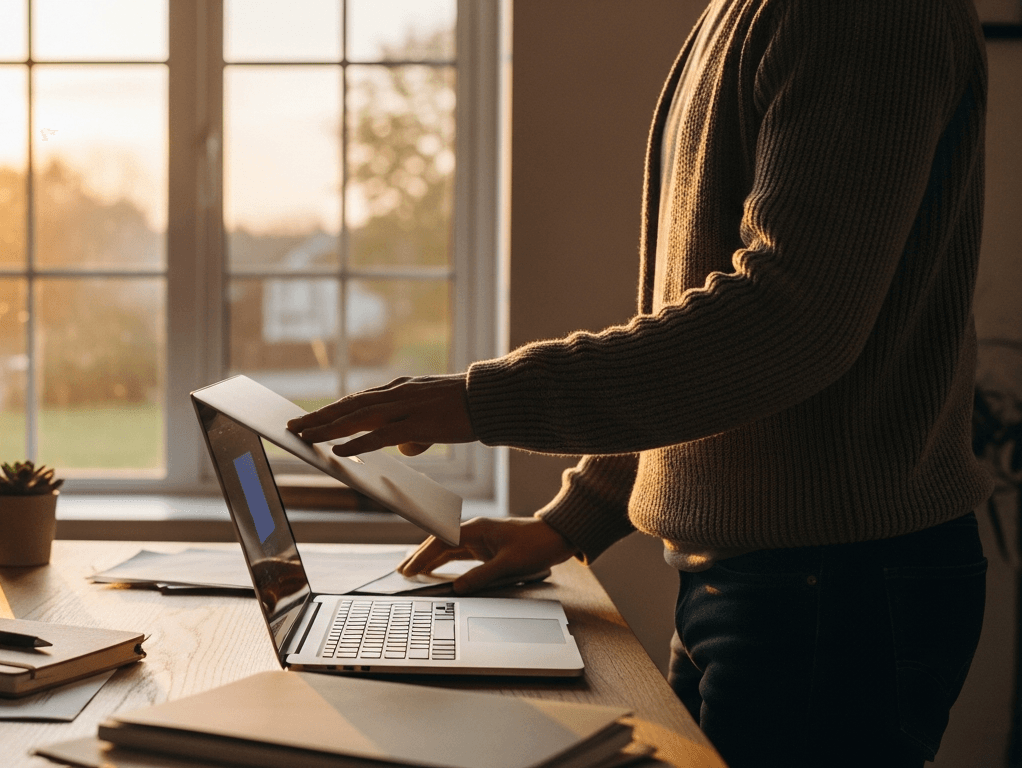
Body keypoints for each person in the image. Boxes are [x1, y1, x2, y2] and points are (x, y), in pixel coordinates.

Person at [287, 1, 991, 766]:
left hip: (832, 594)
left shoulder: (858, 17)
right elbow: (701, 336)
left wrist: (479, 400)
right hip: (773, 580)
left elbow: (788, 321)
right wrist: (573, 520)